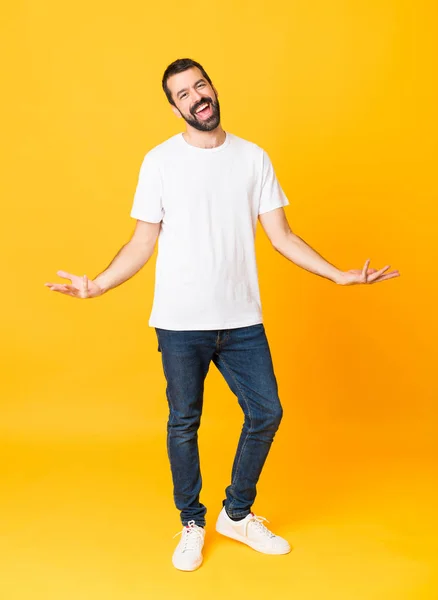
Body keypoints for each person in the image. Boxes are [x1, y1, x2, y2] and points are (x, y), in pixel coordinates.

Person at [44, 58, 401, 572]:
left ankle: (237, 512)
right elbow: (142, 241)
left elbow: (282, 235)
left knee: (267, 412)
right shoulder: (159, 162)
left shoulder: (253, 158)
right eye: (183, 94)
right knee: (183, 423)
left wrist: (338, 274)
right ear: (174, 107)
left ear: (213, 89)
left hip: (241, 321)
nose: (196, 97)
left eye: (201, 86)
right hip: (179, 322)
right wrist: (97, 284)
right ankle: (192, 521)